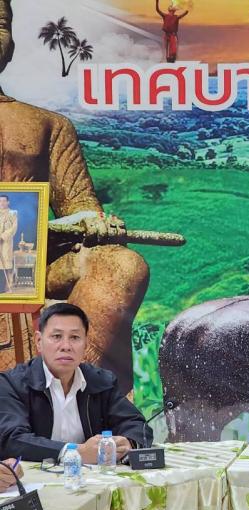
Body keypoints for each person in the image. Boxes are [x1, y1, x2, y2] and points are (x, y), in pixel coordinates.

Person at [0, 1, 149, 393]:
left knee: (123, 265)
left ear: (12, 44)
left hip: (29, 263)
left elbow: (81, 210)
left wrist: (96, 226)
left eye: (0, 25)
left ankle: (69, 396)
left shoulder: (50, 125)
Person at [0, 303, 151, 463]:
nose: (66, 346)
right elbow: (11, 439)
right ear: (39, 341)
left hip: (91, 476)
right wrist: (77, 452)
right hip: (33, 477)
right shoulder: (11, 384)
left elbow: (136, 424)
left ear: (86, 343)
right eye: (56, 336)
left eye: (74, 337)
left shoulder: (102, 381)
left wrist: (129, 442)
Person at [0, 194, 16, 293]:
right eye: (0, 201)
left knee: (5, 264)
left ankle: (5, 287)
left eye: (4, 201)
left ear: (8, 202)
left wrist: (2, 237)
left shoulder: (12, 213)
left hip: (6, 243)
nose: (1, 203)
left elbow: (13, 228)